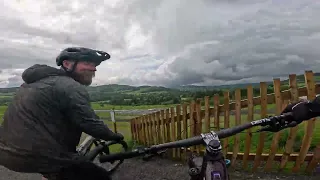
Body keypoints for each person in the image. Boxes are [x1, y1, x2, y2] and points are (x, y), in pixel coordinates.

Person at [0, 47, 124, 180]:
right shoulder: (69, 86)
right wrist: (114, 136)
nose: (94, 69)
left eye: (94, 65)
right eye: (87, 63)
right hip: (40, 156)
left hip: (7, 153)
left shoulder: (30, 84)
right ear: (67, 64)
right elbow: (90, 123)